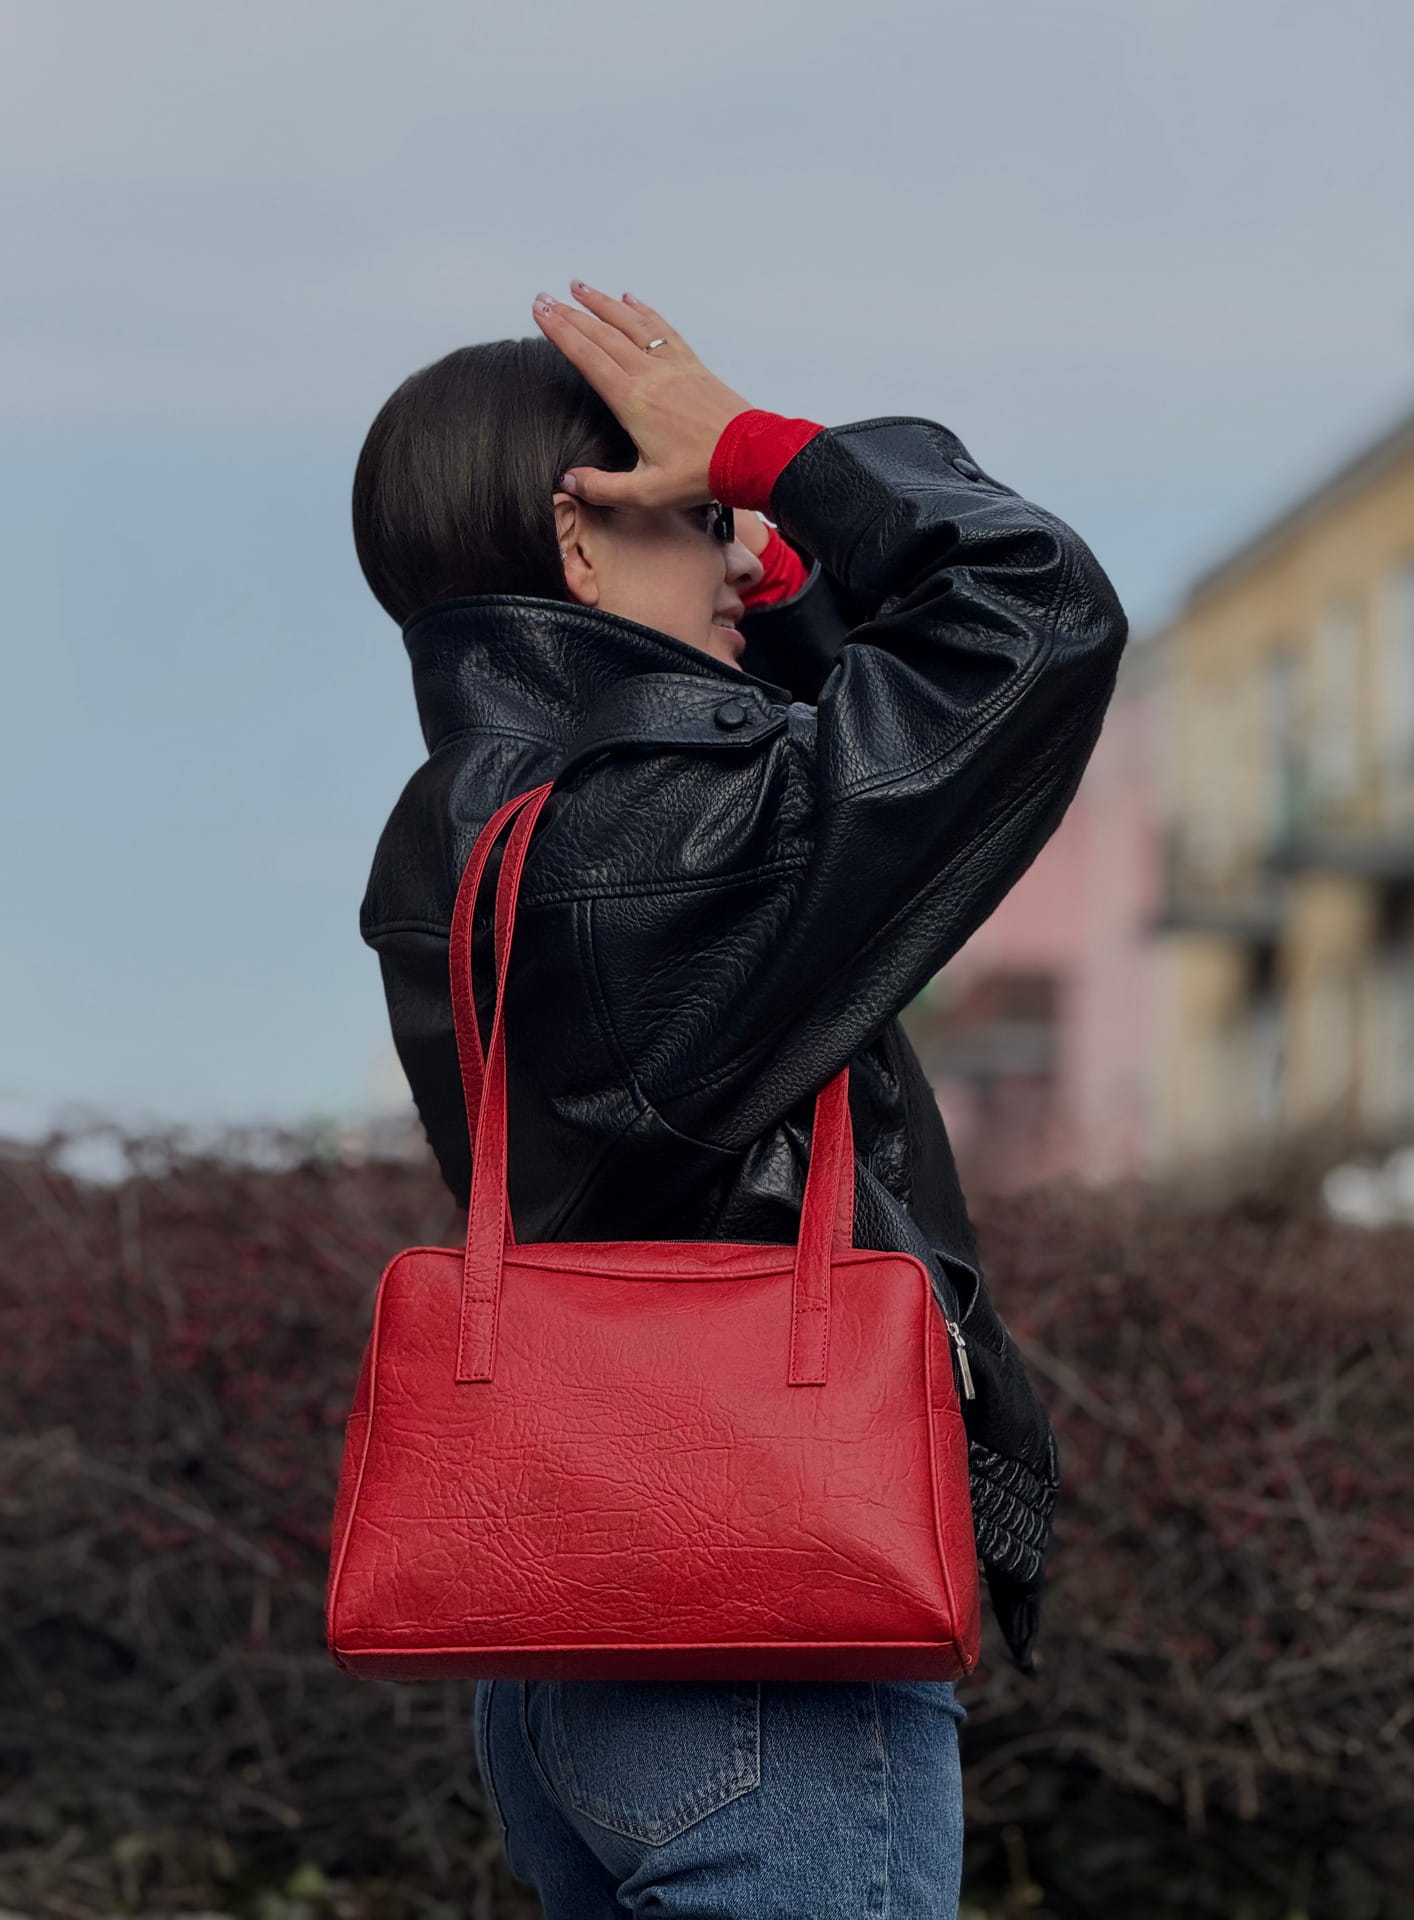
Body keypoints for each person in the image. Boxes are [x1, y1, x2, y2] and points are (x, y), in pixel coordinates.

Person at [351, 281, 1127, 1919]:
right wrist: (772, 448)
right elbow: (1036, 611)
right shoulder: (664, 853)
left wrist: (763, 580)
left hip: (578, 1650)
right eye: (709, 521)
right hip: (758, 1642)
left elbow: (820, 792)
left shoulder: (486, 826)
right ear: (578, 538)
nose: (746, 553)